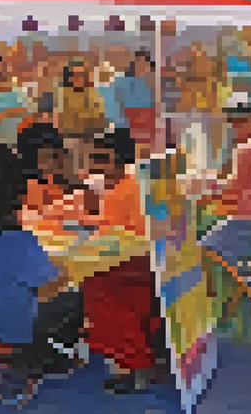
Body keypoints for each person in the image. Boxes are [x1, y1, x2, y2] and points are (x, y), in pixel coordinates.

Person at [0, 143, 70, 380]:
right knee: (73, 296)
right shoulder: (19, 240)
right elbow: (49, 283)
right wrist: (63, 268)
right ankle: (38, 356)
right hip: (10, 326)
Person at [79, 130, 161, 393]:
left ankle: (129, 364)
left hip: (127, 264)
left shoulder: (121, 191)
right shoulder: (131, 185)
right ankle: (133, 358)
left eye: (101, 158)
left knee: (95, 288)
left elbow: (114, 236)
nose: (95, 164)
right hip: (142, 261)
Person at [198, 93, 251, 274]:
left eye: (240, 121)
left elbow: (234, 189)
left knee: (202, 250)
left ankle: (221, 295)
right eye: (232, 121)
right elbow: (243, 181)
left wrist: (204, 194)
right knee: (214, 230)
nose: (234, 126)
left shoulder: (248, 148)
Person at [57, 57, 107, 177]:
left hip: (91, 139)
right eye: (76, 74)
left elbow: (100, 116)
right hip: (71, 140)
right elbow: (70, 121)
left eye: (82, 74)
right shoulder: (64, 94)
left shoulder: (92, 92)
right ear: (69, 77)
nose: (79, 78)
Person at [105, 51, 156, 150]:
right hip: (127, 129)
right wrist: (123, 127)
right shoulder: (121, 82)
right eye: (138, 63)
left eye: (145, 64)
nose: (141, 66)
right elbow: (115, 109)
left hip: (149, 129)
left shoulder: (153, 84)